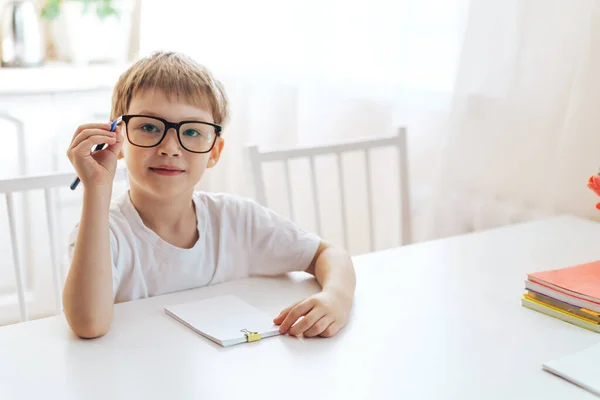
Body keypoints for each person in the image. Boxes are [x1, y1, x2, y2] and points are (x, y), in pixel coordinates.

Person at [63, 51, 356, 340]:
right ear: (118, 138)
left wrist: (336, 298)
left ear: (214, 151)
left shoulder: (236, 219)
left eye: (191, 132)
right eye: (149, 127)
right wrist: (97, 189)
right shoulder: (104, 232)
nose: (170, 147)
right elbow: (89, 324)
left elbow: (327, 253)